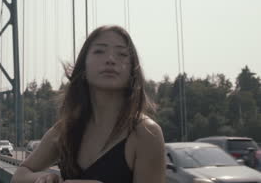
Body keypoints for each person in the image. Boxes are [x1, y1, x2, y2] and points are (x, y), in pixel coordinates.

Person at [11, 25, 165, 183]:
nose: (111, 59)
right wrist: (46, 178)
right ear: (83, 66)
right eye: (99, 51)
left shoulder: (146, 133)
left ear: (132, 71)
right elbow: (19, 176)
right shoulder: (66, 130)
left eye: (122, 54)